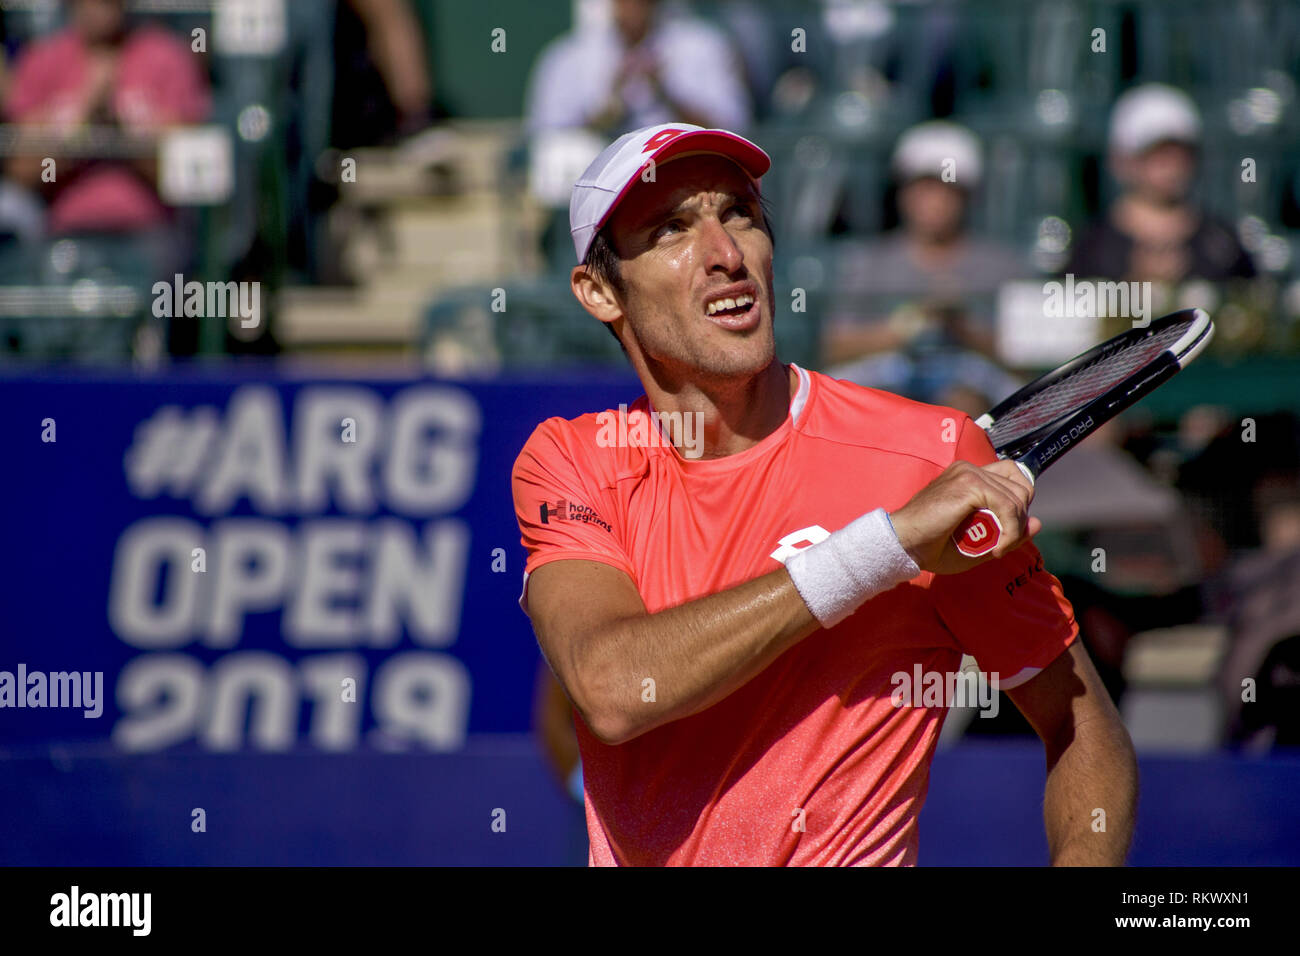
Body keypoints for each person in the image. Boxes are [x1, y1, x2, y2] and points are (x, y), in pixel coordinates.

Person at [510, 123, 1138, 866]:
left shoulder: (928, 458)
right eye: (673, 228)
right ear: (599, 291)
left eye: (739, 212)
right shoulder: (571, 458)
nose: (725, 254)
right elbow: (611, 687)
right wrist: (886, 546)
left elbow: (1080, 722)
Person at [824, 121, 1026, 415]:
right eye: (923, 189)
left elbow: (1027, 357)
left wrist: (962, 328)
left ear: (966, 196)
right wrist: (909, 325)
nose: (934, 202)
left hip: (973, 388)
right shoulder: (870, 262)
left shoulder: (1001, 266)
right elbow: (834, 347)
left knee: (963, 403)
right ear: (903, 193)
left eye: (946, 190)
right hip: (890, 384)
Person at [1065, 83, 1255, 284]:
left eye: (1181, 154)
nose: (1172, 166)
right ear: (1122, 160)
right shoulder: (1093, 246)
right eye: (1157, 154)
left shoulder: (1222, 244)